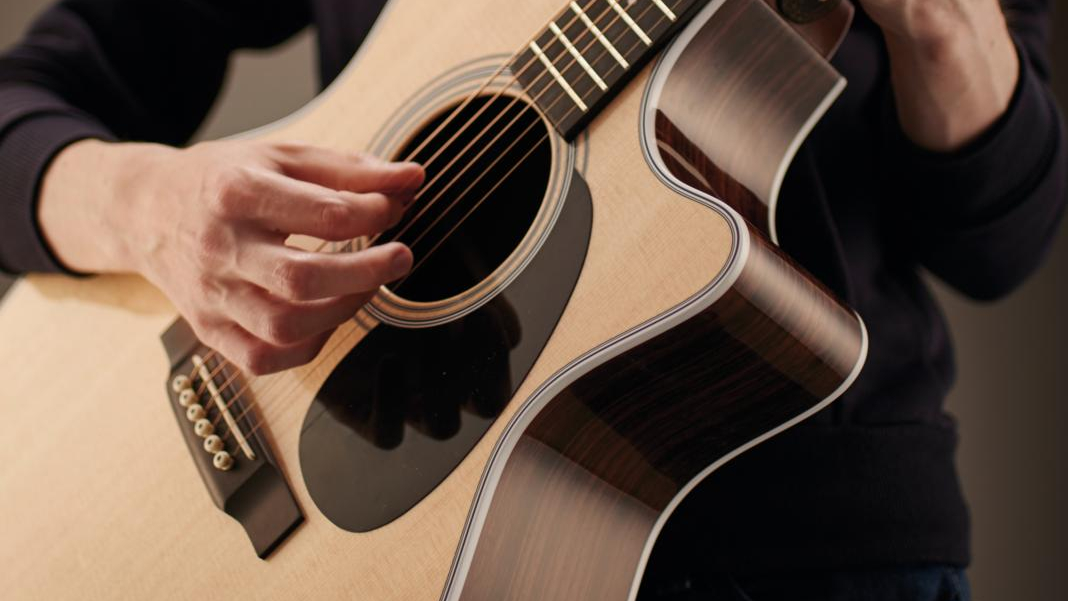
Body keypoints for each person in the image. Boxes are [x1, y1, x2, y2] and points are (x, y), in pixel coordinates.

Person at [0, 0, 1063, 599]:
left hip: (821, 557)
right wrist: (145, 204)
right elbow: (27, 103)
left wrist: (947, 31)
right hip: (393, 558)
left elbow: (998, 241)